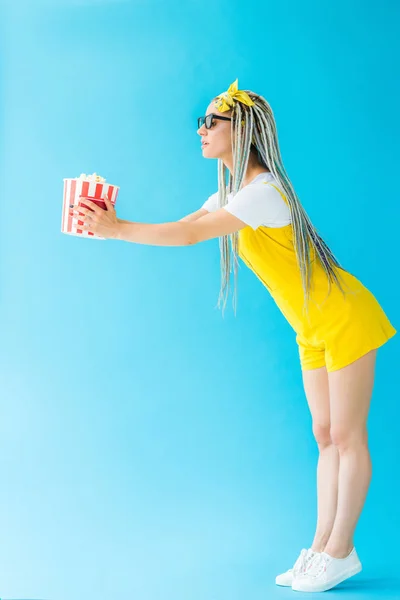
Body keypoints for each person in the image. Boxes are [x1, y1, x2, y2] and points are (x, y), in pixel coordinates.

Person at [70, 78, 397, 593]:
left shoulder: (264, 192)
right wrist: (111, 224)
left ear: (240, 128)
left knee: (349, 437)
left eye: (210, 121)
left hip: (344, 317)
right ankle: (321, 548)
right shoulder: (230, 193)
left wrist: (118, 228)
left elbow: (193, 233)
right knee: (325, 435)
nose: (200, 130)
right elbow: (185, 224)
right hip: (311, 328)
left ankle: (340, 550)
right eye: (200, 122)